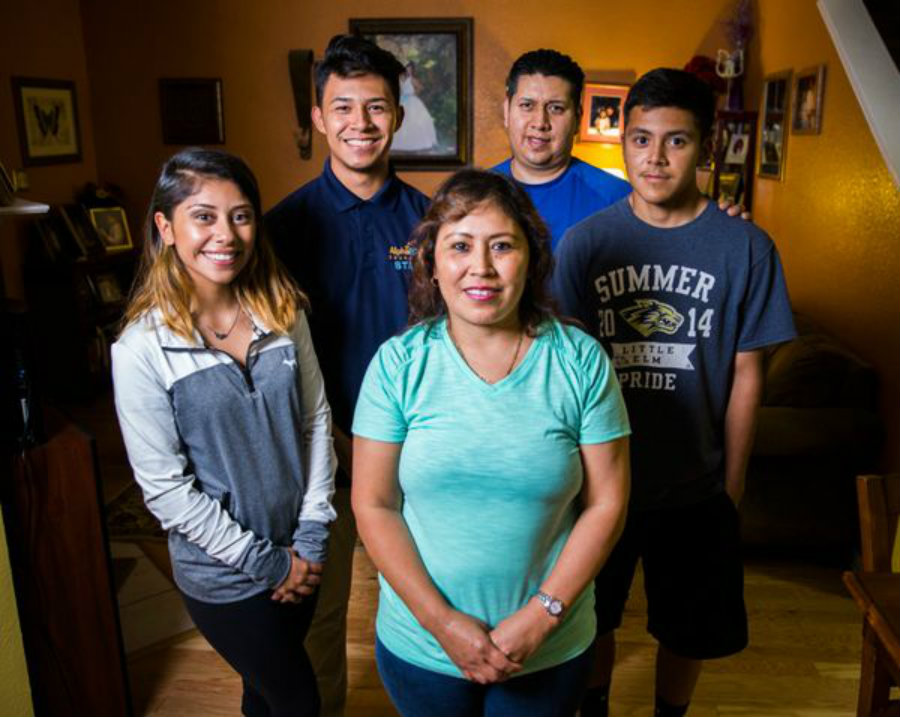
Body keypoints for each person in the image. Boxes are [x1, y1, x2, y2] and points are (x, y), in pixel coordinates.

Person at [552, 68, 796, 717]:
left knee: (690, 627)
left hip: (695, 482)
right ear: (624, 143)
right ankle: (595, 707)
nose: (654, 158)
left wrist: (733, 487)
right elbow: (565, 371)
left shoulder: (746, 248)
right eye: (641, 139)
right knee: (590, 619)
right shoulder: (585, 243)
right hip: (600, 480)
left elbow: (749, 375)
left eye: (676, 141)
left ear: (706, 148)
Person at [351, 169, 632, 717]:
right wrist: (442, 623)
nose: (481, 267)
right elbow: (373, 504)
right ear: (431, 263)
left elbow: (607, 502)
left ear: (531, 258)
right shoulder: (397, 365)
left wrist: (543, 616)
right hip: (422, 647)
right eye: (460, 246)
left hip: (549, 646)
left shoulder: (579, 361)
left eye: (502, 246)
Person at [112, 147, 337, 717]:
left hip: (301, 554)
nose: (227, 234)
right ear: (165, 227)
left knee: (262, 697)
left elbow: (315, 421)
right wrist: (270, 563)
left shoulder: (285, 312)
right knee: (297, 701)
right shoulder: (141, 348)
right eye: (204, 216)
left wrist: (309, 538)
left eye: (241, 215)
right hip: (226, 577)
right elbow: (166, 491)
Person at [266, 34, 430, 717]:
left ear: (397, 115)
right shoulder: (281, 227)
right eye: (343, 107)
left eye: (377, 107)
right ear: (319, 117)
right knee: (320, 617)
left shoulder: (429, 221)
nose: (360, 124)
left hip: (416, 452)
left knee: (427, 605)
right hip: (321, 460)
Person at [493, 49, 631, 250]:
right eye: (527, 105)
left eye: (556, 108)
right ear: (507, 111)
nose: (540, 123)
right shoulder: (473, 193)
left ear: (577, 118)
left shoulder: (618, 199)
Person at [392, 61, 438, 152]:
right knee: (400, 120)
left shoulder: (412, 79)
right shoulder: (400, 78)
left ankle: (417, 143)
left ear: (412, 70)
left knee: (414, 121)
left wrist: (413, 93)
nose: (408, 70)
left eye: (410, 69)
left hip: (412, 101)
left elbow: (421, 87)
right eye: (407, 69)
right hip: (401, 101)